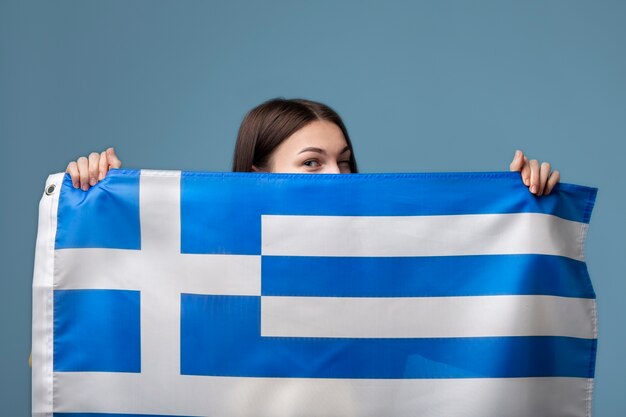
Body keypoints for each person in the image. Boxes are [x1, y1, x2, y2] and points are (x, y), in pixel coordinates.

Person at [65, 97, 560, 194]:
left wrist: (520, 208)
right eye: (310, 163)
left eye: (344, 164)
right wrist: (99, 203)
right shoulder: (208, 267)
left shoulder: (379, 264)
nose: (336, 178)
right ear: (259, 175)